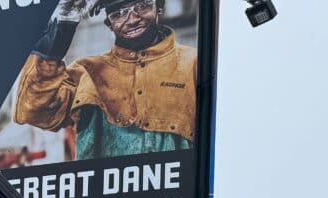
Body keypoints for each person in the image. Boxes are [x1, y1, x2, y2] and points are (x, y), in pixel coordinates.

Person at [15, 0, 198, 161]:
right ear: (109, 24)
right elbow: (32, 111)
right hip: (102, 190)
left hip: (175, 189)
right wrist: (58, 36)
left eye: (142, 6)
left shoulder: (193, 64)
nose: (132, 19)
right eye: (118, 13)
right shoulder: (87, 72)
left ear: (159, 5)